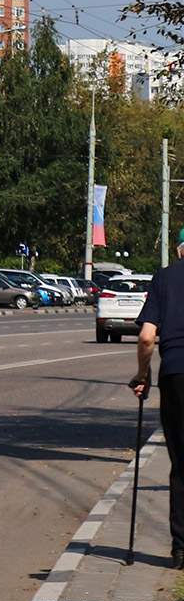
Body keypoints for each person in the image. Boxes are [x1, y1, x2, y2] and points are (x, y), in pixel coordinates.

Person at [131, 229, 184, 569]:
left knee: (180, 465)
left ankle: (180, 550)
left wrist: (142, 375)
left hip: (175, 375)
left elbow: (147, 337)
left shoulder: (164, 279)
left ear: (180, 250)